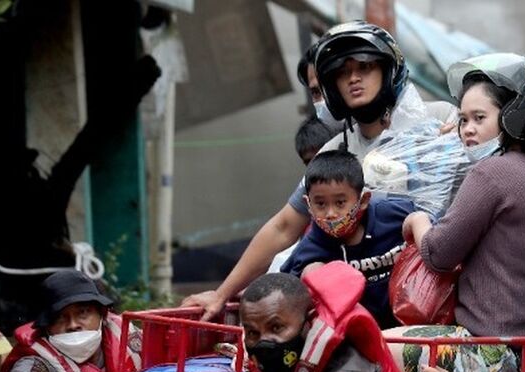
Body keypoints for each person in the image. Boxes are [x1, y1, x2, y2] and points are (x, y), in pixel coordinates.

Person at [182, 21, 456, 322]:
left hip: (439, 298)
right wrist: (221, 294)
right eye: (341, 72)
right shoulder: (335, 152)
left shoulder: (440, 121)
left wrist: (467, 136)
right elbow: (283, 227)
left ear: (388, 70)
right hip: (362, 312)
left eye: (364, 67)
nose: (353, 78)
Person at [399, 53, 525, 372]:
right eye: (462, 119)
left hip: (506, 354)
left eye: (479, 118)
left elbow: (439, 254)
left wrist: (417, 221)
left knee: (371, 343)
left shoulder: (490, 174)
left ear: (512, 119)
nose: (466, 130)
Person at [183, 264, 426, 372]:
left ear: (308, 323)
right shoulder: (277, 371)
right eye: (253, 333)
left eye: (276, 327)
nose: (264, 343)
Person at [280, 149, 414, 328]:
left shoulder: (397, 215)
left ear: (364, 200)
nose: (330, 214)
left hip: (412, 325)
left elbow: (435, 236)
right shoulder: (310, 249)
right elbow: (285, 292)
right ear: (308, 204)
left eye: (340, 203)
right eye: (320, 204)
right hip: (356, 337)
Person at [0, 270, 142, 372]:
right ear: (46, 328)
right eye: (59, 318)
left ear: (102, 315)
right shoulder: (41, 364)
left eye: (82, 312)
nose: (73, 325)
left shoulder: (131, 338)